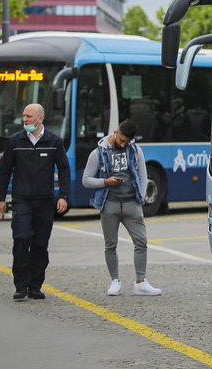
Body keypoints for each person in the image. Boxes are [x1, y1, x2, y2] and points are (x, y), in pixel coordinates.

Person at [0, 103, 69, 301]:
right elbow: (5, 170)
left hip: (44, 201)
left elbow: (63, 169)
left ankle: (35, 286)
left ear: (40, 119)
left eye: (29, 116)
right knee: (21, 237)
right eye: (24, 116)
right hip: (22, 200)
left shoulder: (54, 141)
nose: (24, 119)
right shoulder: (15, 141)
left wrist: (63, 195)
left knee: (39, 244)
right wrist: (0, 198)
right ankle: (20, 286)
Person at [82, 119, 162, 296]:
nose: (124, 144)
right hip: (109, 203)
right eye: (122, 139)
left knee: (141, 241)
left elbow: (143, 176)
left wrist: (140, 199)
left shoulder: (135, 150)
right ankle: (115, 281)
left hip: (132, 203)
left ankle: (140, 282)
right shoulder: (98, 153)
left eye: (128, 141)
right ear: (116, 132)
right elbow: (86, 180)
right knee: (110, 245)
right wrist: (105, 182)